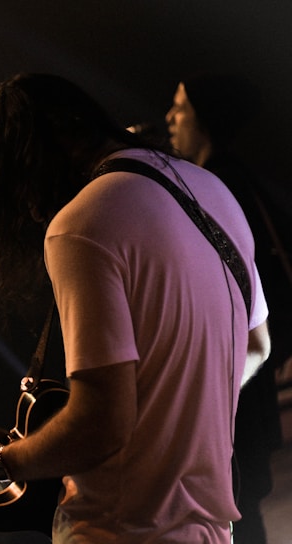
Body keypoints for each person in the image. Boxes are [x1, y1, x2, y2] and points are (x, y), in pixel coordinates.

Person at [0, 73, 271, 543]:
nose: (33, 209)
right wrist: (181, 410)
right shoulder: (212, 190)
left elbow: (102, 421)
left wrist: (0, 461)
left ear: (37, 157)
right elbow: (258, 345)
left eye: (23, 186)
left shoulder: (81, 223)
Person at [166, 73, 290, 544]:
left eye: (180, 106)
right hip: (244, 382)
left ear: (205, 117)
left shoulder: (216, 187)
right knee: (239, 510)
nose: (169, 117)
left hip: (229, 387)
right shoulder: (240, 180)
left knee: (232, 514)